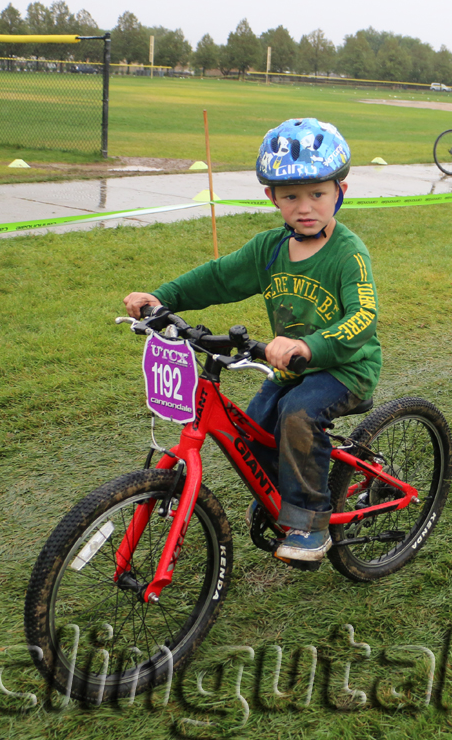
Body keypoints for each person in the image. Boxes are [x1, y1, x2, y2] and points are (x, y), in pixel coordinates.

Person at [123, 118, 380, 563]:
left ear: (340, 190)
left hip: (344, 366)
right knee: (255, 423)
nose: (305, 207)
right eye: (291, 196)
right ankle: (283, 495)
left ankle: (310, 523)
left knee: (297, 415)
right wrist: (162, 298)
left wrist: (308, 346)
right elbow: (218, 278)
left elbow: (364, 316)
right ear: (272, 198)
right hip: (287, 367)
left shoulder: (348, 252)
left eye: (318, 193)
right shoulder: (269, 249)